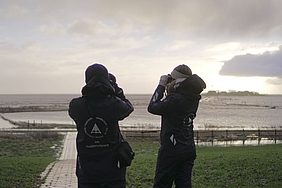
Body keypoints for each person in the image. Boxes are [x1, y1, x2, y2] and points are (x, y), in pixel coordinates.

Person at [69, 63, 134, 188]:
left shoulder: (76, 105)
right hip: (113, 169)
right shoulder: (114, 104)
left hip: (86, 169)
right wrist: (115, 89)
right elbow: (128, 107)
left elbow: (74, 115)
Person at [147, 64, 206, 188]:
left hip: (171, 149)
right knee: (184, 184)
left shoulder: (176, 99)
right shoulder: (193, 97)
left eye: (172, 79)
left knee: (162, 184)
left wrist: (161, 86)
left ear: (178, 81)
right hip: (188, 147)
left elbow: (152, 107)